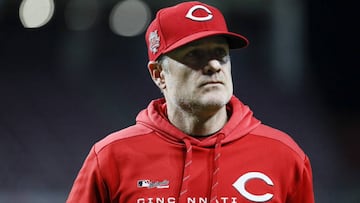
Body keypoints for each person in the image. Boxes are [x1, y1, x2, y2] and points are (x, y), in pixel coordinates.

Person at [66, 1, 315, 203]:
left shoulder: (284, 156)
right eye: (194, 54)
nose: (214, 65)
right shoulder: (112, 157)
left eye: (221, 54)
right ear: (159, 74)